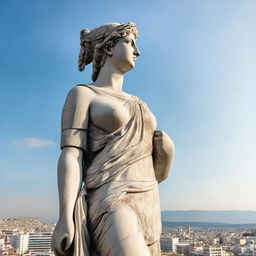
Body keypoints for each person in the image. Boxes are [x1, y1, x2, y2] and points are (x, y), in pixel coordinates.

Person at [51, 22, 175, 256]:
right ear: (108, 47)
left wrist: (167, 158)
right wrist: (65, 215)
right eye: (129, 42)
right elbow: (71, 154)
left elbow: (154, 173)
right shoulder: (83, 94)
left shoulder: (141, 103)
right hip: (110, 200)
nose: (137, 51)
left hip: (149, 201)